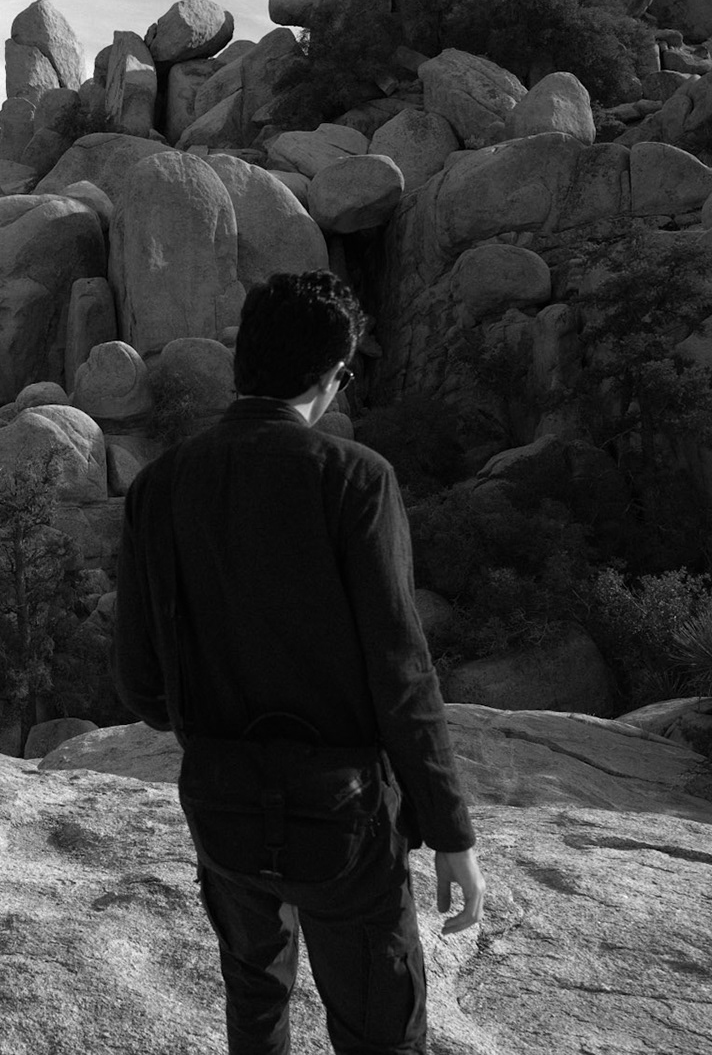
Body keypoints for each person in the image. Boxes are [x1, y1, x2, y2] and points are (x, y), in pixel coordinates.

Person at [113, 269, 484, 1055]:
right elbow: (401, 673)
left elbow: (142, 684)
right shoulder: (356, 478)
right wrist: (451, 832)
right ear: (332, 375)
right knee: (379, 1028)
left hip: (221, 811)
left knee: (255, 1004)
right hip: (346, 820)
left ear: (243, 362)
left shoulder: (158, 487)